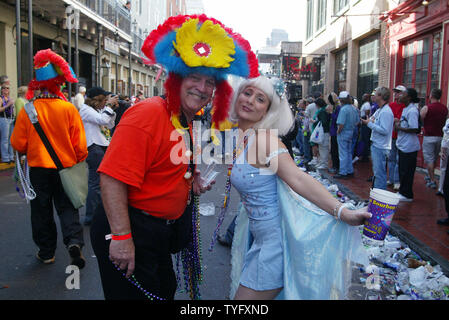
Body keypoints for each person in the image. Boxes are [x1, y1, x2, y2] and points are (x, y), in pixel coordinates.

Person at [89, 14, 259, 300]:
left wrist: (188, 183)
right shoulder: (148, 113)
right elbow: (112, 178)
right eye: (194, 78)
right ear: (177, 78)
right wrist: (121, 237)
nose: (202, 88)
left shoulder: (184, 119)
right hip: (131, 228)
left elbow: (165, 165)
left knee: (164, 291)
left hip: (157, 236)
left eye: (209, 82)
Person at [225, 76, 370, 300]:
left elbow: (298, 179)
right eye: (248, 93)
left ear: (268, 111)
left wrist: (343, 212)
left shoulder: (265, 141)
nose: (251, 101)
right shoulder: (244, 137)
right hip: (260, 241)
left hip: (275, 248)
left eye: (261, 98)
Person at [10, 49, 87, 268]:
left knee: (41, 211)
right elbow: (80, 147)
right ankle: (73, 242)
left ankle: (46, 252)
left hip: (38, 170)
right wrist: (77, 160)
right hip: (65, 168)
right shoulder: (68, 109)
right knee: (67, 207)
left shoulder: (28, 110)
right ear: (59, 85)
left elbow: (18, 144)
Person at [79, 87, 118, 226]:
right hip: (93, 146)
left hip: (101, 145)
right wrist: (108, 107)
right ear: (97, 100)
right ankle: (91, 216)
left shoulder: (97, 110)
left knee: (101, 182)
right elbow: (102, 120)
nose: (105, 103)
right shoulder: (85, 110)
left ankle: (99, 213)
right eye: (104, 101)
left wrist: (110, 109)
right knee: (95, 183)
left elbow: (109, 123)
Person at [361, 87, 394, 190]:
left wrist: (369, 124)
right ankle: (375, 196)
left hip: (381, 146)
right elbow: (373, 120)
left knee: (379, 174)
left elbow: (384, 130)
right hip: (377, 144)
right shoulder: (380, 110)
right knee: (377, 172)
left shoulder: (386, 112)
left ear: (381, 96)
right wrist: (370, 122)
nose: (373, 96)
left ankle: (379, 199)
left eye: (376, 94)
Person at [394, 87, 421, 202]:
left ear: (409, 97)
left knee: (407, 171)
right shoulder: (406, 109)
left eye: (403, 94)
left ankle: (407, 194)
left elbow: (415, 128)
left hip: (409, 147)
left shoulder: (412, 110)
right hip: (403, 144)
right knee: (402, 169)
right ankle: (402, 191)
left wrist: (399, 127)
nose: (400, 96)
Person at [420, 88, 448, 189]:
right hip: (440, 137)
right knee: (435, 157)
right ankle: (429, 175)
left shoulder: (427, 108)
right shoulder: (445, 108)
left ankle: (432, 180)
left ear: (431, 95)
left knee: (429, 159)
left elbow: (421, 119)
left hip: (429, 136)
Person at [335, 91, 359, 179]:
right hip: (351, 131)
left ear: (342, 100)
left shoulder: (344, 109)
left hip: (343, 132)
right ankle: (350, 170)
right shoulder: (354, 108)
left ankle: (343, 172)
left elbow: (341, 123)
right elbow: (357, 121)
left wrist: (338, 131)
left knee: (343, 153)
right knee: (348, 152)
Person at [388, 85, 407, 191]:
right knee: (391, 159)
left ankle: (396, 180)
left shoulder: (405, 106)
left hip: (400, 136)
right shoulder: (391, 105)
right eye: (395, 92)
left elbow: (402, 120)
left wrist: (396, 120)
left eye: (399, 92)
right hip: (391, 136)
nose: (396, 94)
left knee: (398, 159)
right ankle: (391, 179)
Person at [314, 98, 331, 170]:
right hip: (324, 131)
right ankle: (322, 162)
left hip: (324, 131)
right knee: (322, 147)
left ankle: (324, 163)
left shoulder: (322, 111)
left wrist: (315, 122)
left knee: (323, 147)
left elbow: (323, 121)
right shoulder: (323, 110)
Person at [328, 92, 340, 174]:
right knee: (333, 150)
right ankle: (334, 166)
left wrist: (331, 113)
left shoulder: (338, 108)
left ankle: (336, 166)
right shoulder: (335, 107)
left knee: (335, 150)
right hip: (332, 131)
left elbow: (337, 119)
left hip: (336, 132)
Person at [359, 93, 372, 162]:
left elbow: (367, 113)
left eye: (364, 97)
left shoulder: (367, 104)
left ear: (367, 98)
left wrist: (364, 120)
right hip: (363, 123)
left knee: (365, 139)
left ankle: (365, 156)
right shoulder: (365, 104)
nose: (362, 97)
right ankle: (364, 154)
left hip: (365, 124)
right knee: (363, 139)